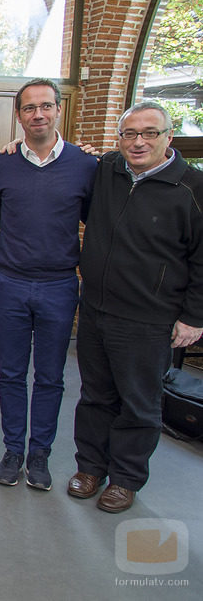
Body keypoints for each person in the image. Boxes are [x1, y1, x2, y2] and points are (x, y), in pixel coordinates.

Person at [68, 101, 203, 513]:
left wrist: (194, 316)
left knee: (140, 402)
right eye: (130, 133)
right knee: (94, 395)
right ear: (120, 138)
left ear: (168, 138)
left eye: (149, 133)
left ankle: (125, 478)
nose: (139, 141)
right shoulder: (107, 170)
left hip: (149, 317)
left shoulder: (192, 188)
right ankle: (90, 466)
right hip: (95, 308)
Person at [0, 79, 97, 490]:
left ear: (57, 111)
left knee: (51, 376)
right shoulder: (2, 163)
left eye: (46, 106)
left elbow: (97, 220)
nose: (38, 114)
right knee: (11, 374)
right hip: (11, 282)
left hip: (58, 285)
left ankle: (40, 455)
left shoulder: (85, 165)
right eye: (30, 108)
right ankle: (13, 450)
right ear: (18, 115)